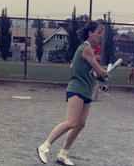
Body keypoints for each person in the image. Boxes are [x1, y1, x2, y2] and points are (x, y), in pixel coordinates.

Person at [37, 21, 110, 165]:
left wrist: (102, 76)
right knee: (71, 122)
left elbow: (95, 73)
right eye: (98, 33)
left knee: (80, 124)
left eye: (102, 33)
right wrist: (104, 73)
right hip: (76, 89)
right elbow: (98, 70)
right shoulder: (86, 49)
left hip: (86, 90)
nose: (101, 36)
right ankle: (44, 146)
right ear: (90, 33)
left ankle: (63, 154)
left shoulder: (91, 50)